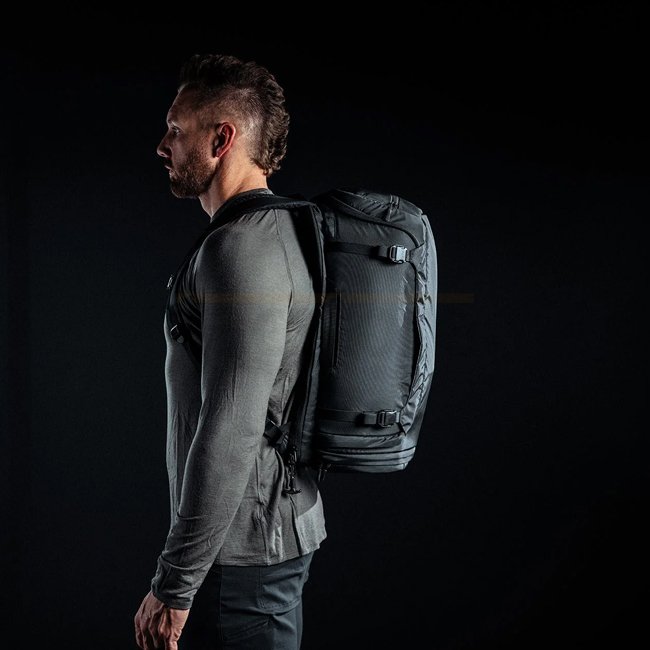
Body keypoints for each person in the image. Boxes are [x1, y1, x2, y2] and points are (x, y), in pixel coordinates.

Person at [134, 53, 327, 650]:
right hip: (261, 541)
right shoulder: (283, 231)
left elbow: (233, 425)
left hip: (240, 560)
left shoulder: (239, 249)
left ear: (221, 139)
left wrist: (176, 582)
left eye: (176, 129)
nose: (162, 145)